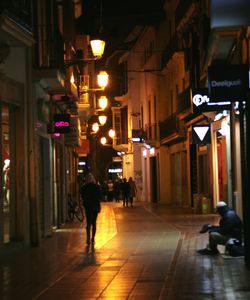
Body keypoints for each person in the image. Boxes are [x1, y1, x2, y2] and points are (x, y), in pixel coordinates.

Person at [80, 173, 102, 245]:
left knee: (88, 222)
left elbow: (82, 196)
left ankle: (88, 238)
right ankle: (93, 238)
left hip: (88, 206)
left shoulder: (84, 187)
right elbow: (100, 196)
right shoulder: (97, 187)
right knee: (94, 222)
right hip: (95, 206)